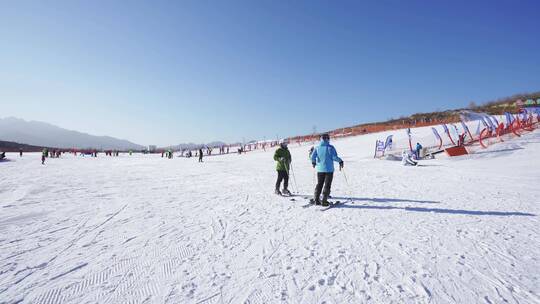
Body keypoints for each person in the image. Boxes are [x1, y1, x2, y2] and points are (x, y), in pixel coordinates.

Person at [310, 134, 343, 206]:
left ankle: (316, 199)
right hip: (329, 170)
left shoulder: (317, 148)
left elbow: (312, 157)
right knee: (327, 184)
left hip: (320, 169)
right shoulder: (330, 148)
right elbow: (334, 157)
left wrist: (313, 162)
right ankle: (324, 200)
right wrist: (340, 161)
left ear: (321, 139)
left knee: (319, 184)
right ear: (327, 139)